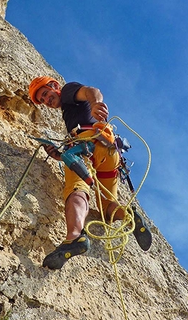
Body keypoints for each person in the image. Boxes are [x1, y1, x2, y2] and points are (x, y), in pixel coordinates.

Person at [28, 76, 152, 270]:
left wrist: (96, 103)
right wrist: (59, 156)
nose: (47, 101)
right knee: (107, 205)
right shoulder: (70, 111)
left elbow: (91, 91)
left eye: (45, 94)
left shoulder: (68, 91)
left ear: (54, 86)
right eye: (43, 101)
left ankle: (74, 238)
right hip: (109, 152)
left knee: (77, 189)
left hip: (87, 144)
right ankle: (129, 216)